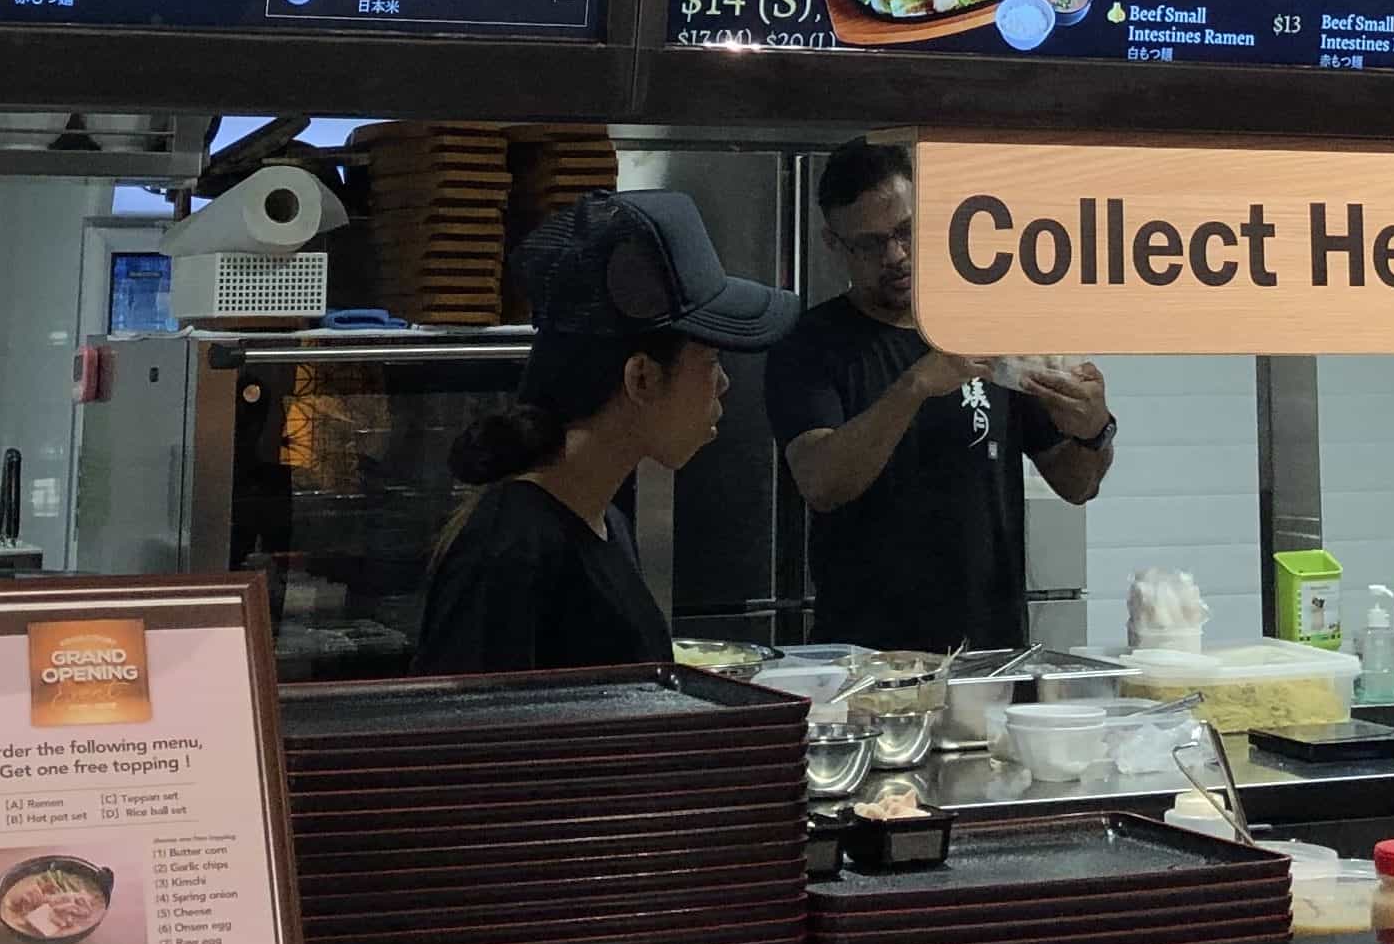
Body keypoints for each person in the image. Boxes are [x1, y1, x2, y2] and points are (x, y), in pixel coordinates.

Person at [412, 189, 797, 674]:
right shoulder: (510, 547)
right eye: (711, 360)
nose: (723, 384)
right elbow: (470, 720)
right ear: (641, 378)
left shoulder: (603, 518)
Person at [766, 140, 1116, 651]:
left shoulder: (988, 329)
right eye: (869, 244)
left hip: (991, 654)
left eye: (905, 232)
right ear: (833, 243)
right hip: (866, 661)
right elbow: (821, 483)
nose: (895, 256)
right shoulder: (810, 344)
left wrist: (1093, 432)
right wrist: (914, 387)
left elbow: (1076, 484)